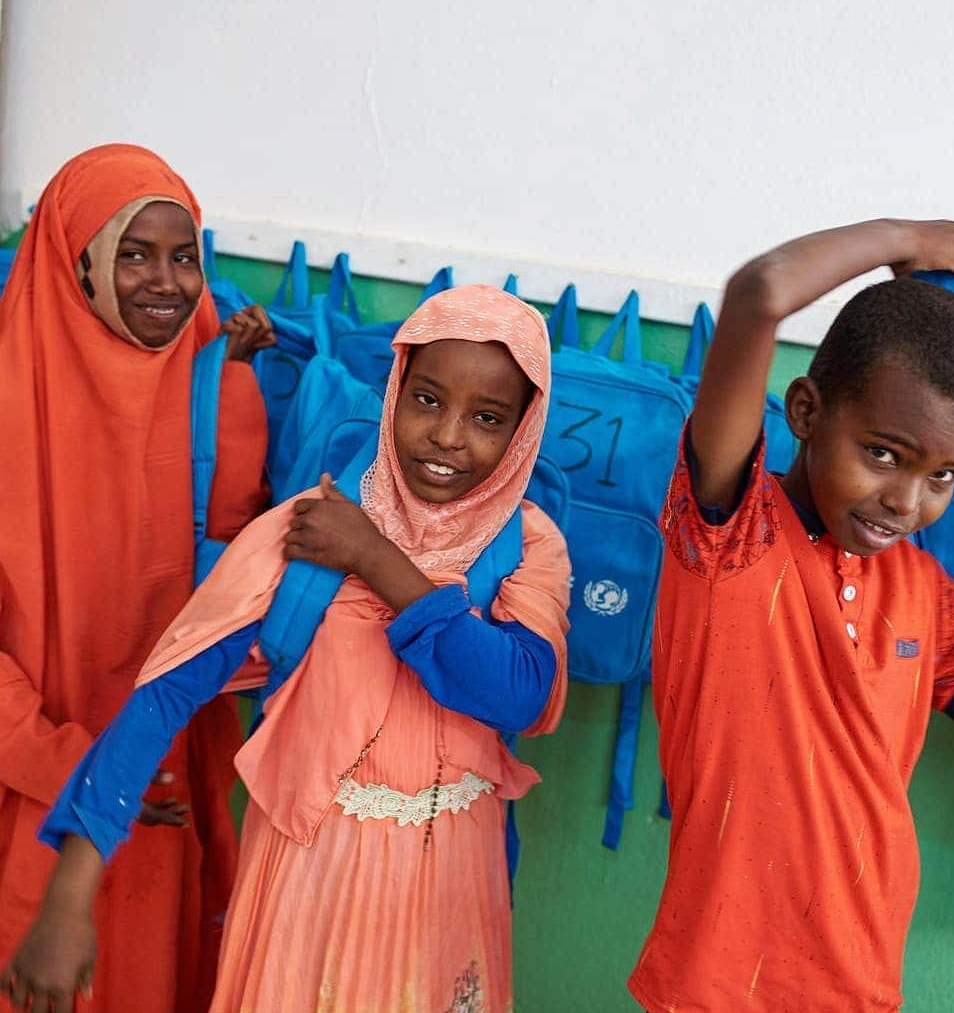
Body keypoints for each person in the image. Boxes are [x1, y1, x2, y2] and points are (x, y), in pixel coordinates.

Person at [3, 284, 571, 1013]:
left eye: (487, 417)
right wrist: (69, 896)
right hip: (310, 873)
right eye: (426, 399)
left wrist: (377, 560)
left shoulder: (528, 547)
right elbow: (167, 693)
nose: (449, 436)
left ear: (523, 432)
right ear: (394, 390)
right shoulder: (304, 533)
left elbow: (515, 693)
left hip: (449, 885)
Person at [628, 219, 954, 1013]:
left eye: (943, 475)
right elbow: (759, 293)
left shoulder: (925, 594)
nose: (906, 501)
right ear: (805, 410)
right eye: (882, 452)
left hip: (858, 984)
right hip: (717, 987)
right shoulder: (730, 535)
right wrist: (902, 237)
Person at [0, 144, 273, 1013]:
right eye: (133, 252)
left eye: (184, 255)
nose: (166, 281)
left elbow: (225, 566)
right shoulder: (12, 405)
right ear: (73, 261)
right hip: (33, 785)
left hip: (161, 784)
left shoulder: (205, 387)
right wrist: (76, 767)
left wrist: (231, 390)